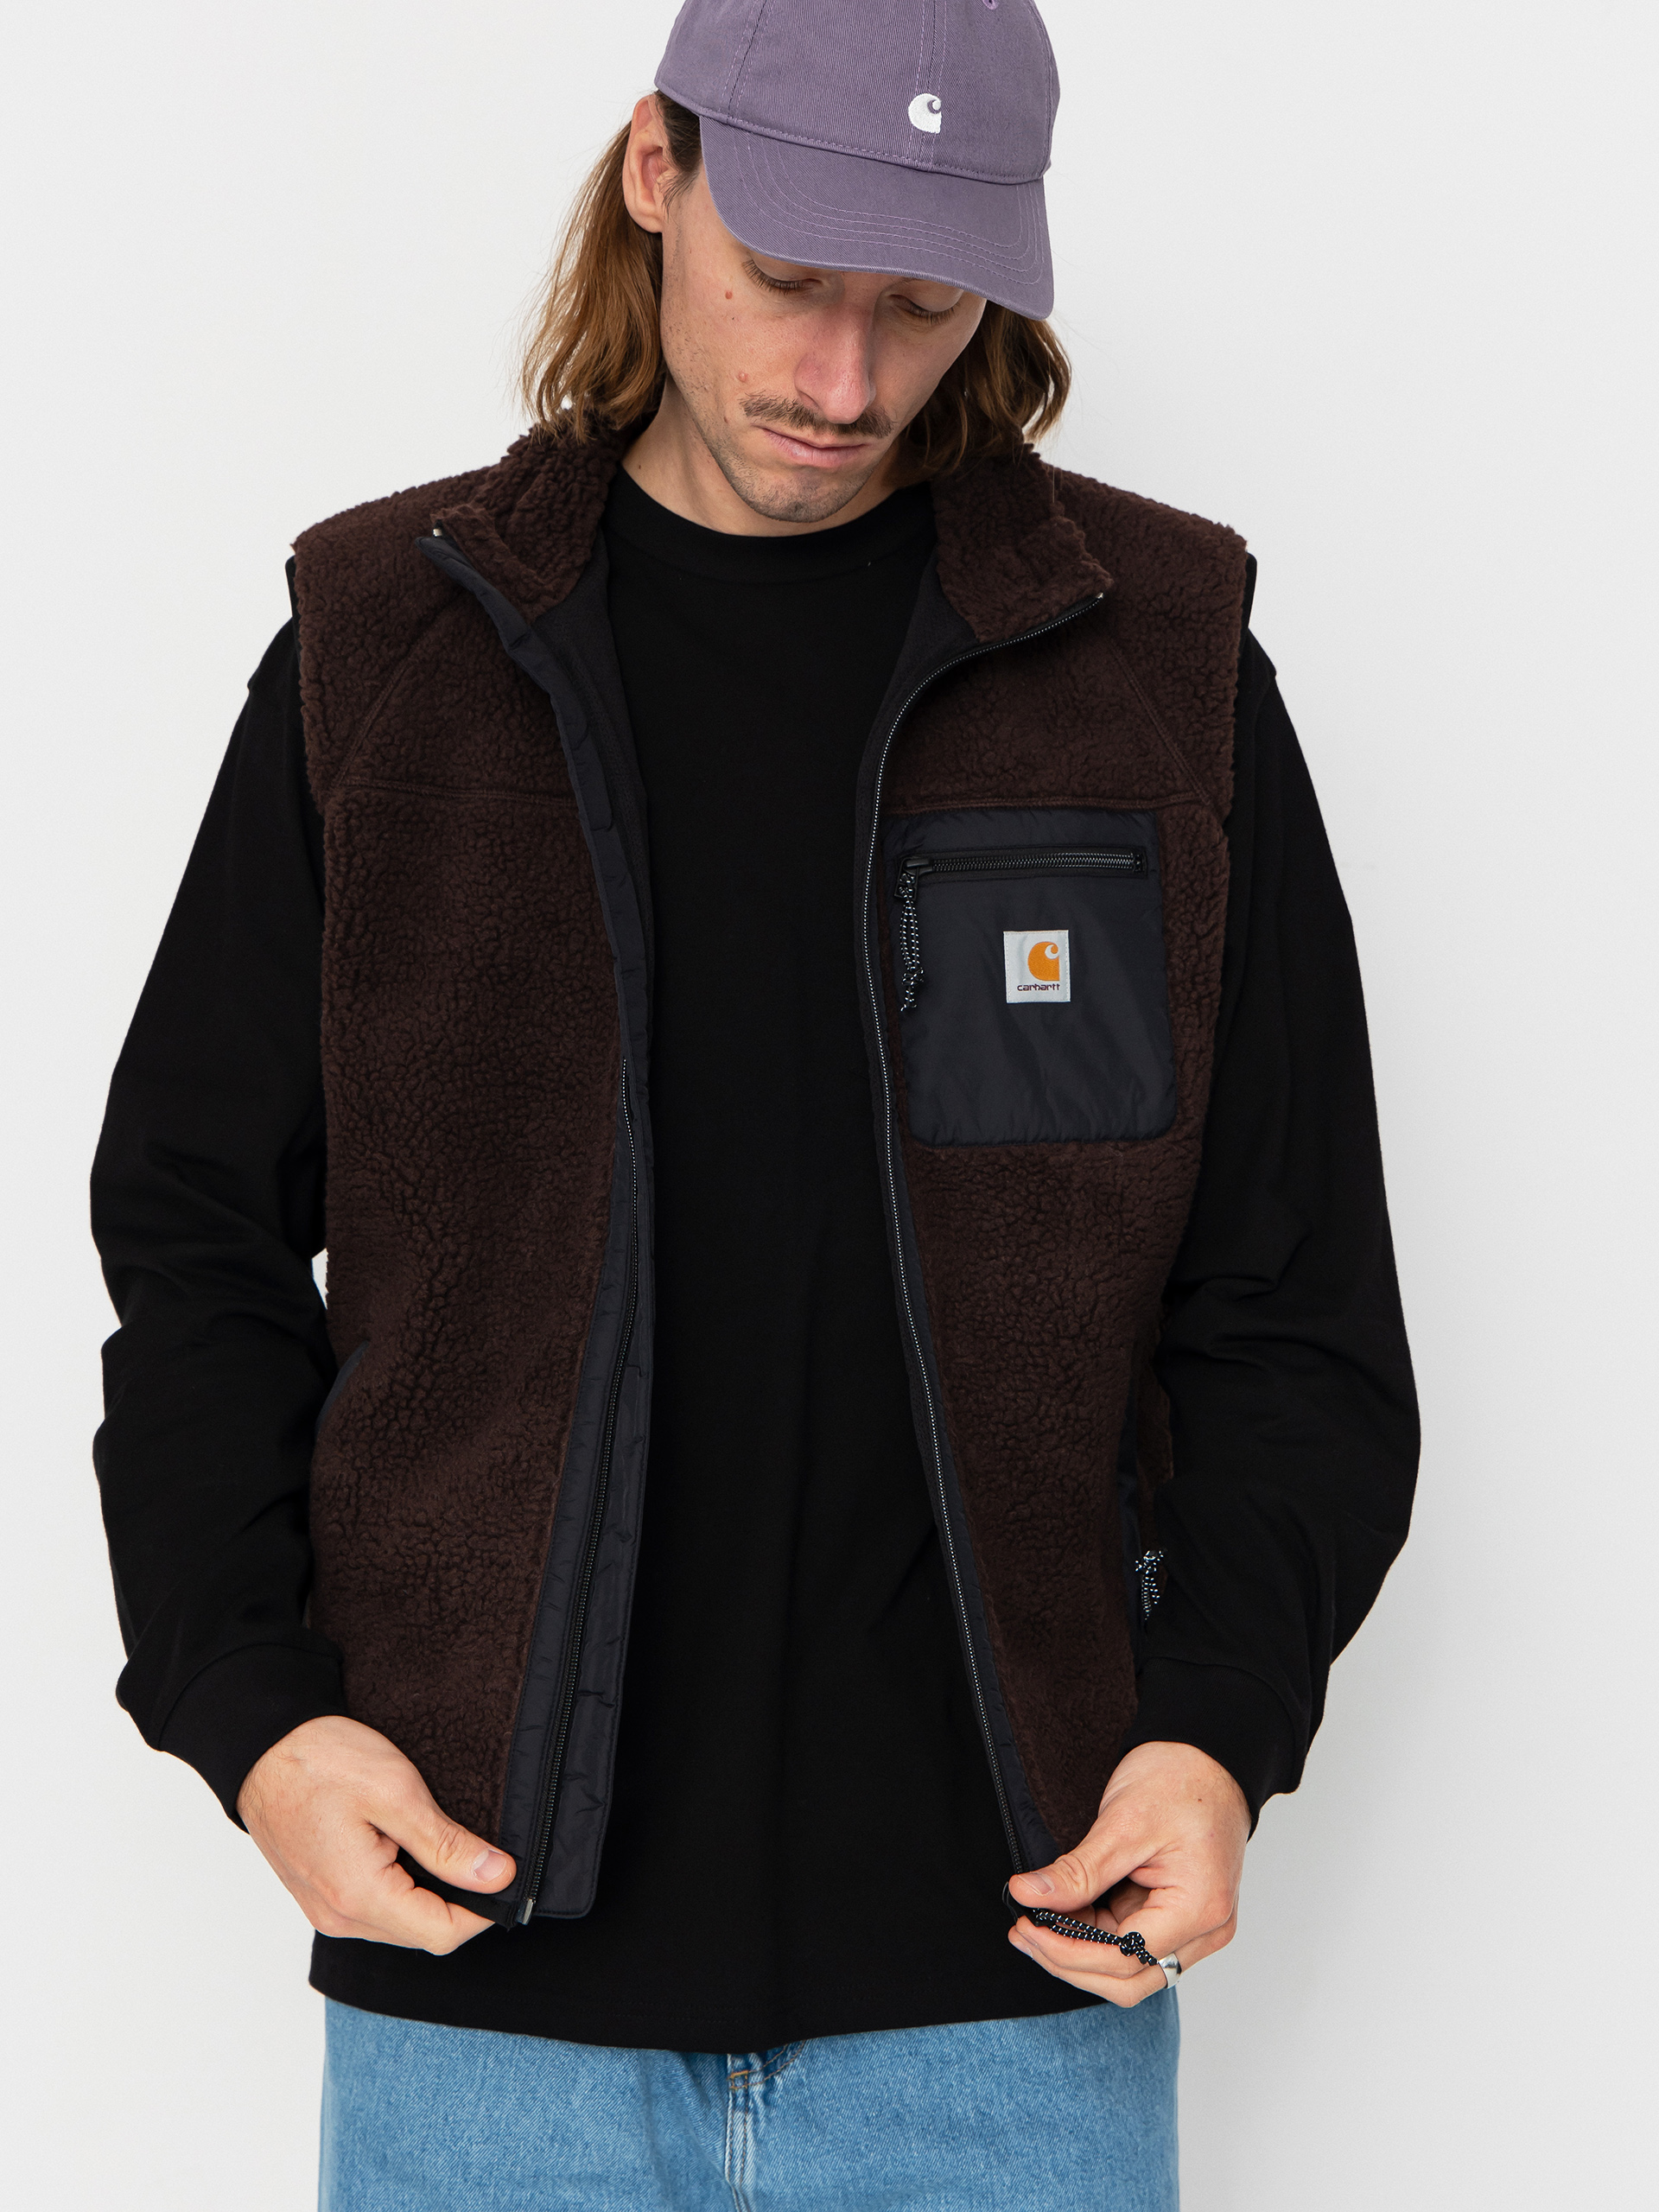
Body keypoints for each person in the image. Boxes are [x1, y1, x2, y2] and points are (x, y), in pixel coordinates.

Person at [91, 2, 1418, 2203]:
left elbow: (1290, 1292)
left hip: (1016, 1994)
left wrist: (1217, 1726)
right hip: (484, 1992)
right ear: (656, 172)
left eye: (924, 304)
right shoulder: (386, 651)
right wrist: (255, 1708)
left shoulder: (1158, 671)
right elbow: (196, 1228)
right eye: (789, 276)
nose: (843, 377)